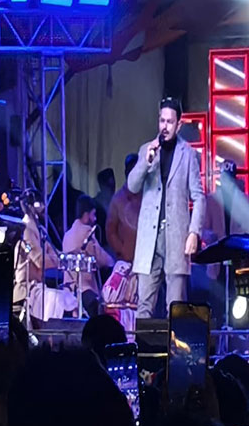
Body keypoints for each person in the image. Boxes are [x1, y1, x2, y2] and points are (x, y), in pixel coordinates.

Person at [128, 98, 205, 319]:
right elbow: (132, 186)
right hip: (149, 240)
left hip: (176, 238)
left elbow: (199, 197)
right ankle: (142, 352)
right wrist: (146, 160)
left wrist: (194, 232)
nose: (165, 126)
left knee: (176, 309)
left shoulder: (188, 154)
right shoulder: (147, 149)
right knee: (144, 306)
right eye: (162, 120)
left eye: (170, 121)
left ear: (178, 125)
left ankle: (175, 354)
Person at [62, 195, 114, 306]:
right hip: (85, 289)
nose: (95, 219)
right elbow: (102, 259)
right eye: (93, 215)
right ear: (86, 215)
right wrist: (114, 263)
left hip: (68, 290)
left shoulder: (67, 234)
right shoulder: (86, 232)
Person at [105, 151, 142, 264]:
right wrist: (122, 250)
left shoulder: (149, 196)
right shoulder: (118, 199)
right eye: (132, 169)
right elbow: (110, 231)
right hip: (127, 261)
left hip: (147, 261)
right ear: (126, 172)